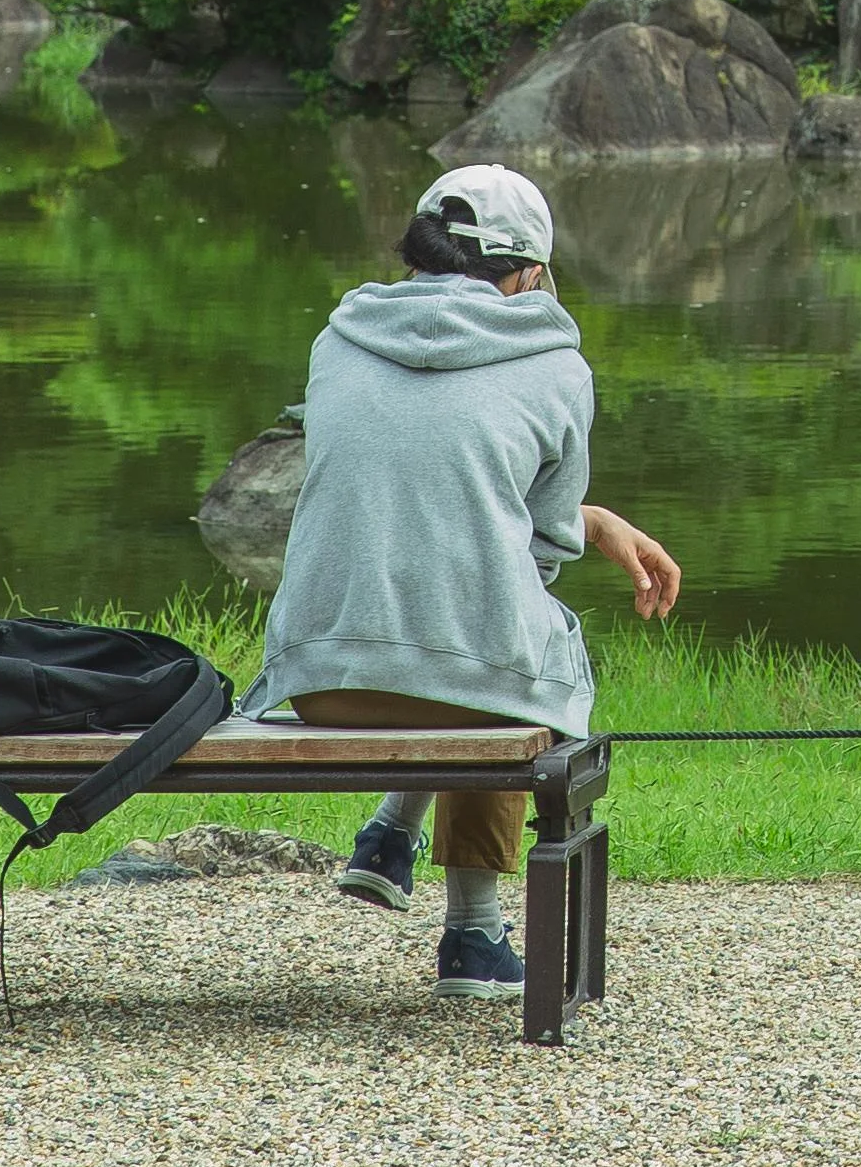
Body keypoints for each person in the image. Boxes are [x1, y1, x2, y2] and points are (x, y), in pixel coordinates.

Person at [253, 161, 681, 1001]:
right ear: (527, 273)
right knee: (507, 644)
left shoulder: (339, 339)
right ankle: (474, 933)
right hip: (467, 689)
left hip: (322, 681)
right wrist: (585, 523)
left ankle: (390, 830)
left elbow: (414, 489)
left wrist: (584, 521)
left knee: (462, 630)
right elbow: (539, 557)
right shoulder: (556, 364)